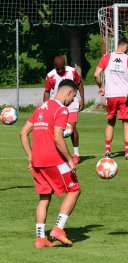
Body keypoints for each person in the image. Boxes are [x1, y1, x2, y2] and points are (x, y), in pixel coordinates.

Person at [20, 79, 81, 248]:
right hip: (53, 159)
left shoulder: (41, 107)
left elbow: (23, 132)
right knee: (74, 190)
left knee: (44, 197)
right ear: (68, 93)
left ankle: (40, 238)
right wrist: (70, 159)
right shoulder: (61, 110)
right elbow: (57, 138)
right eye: (74, 96)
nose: (72, 100)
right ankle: (58, 229)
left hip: (38, 160)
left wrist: (30, 156)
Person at [94, 37, 128, 160]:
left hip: (111, 95)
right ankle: (127, 152)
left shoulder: (106, 57)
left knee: (110, 122)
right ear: (125, 47)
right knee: (126, 124)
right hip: (124, 95)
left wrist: (101, 86)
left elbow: (96, 74)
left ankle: (108, 150)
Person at [44, 55, 85, 164]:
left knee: (72, 128)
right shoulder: (50, 76)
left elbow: (79, 83)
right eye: (58, 69)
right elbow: (47, 91)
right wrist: (45, 105)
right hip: (56, 106)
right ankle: (56, 154)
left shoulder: (72, 72)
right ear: (54, 66)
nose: (61, 70)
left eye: (62, 68)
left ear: (65, 64)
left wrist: (82, 99)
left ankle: (76, 154)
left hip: (72, 105)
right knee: (54, 131)